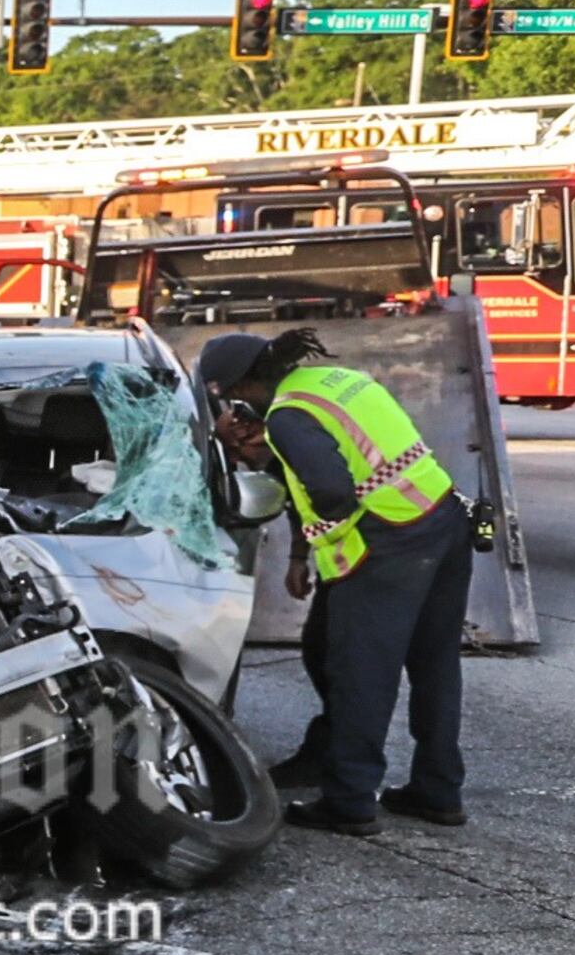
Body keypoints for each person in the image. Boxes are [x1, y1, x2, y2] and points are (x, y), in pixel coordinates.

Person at [199, 328, 470, 836]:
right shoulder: (336, 379)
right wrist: (303, 553)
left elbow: (328, 488)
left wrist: (328, 529)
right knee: (436, 664)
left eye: (234, 397)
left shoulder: (286, 417)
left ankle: (349, 801)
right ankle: (439, 792)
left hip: (388, 541)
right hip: (442, 520)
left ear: (244, 385)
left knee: (360, 674)